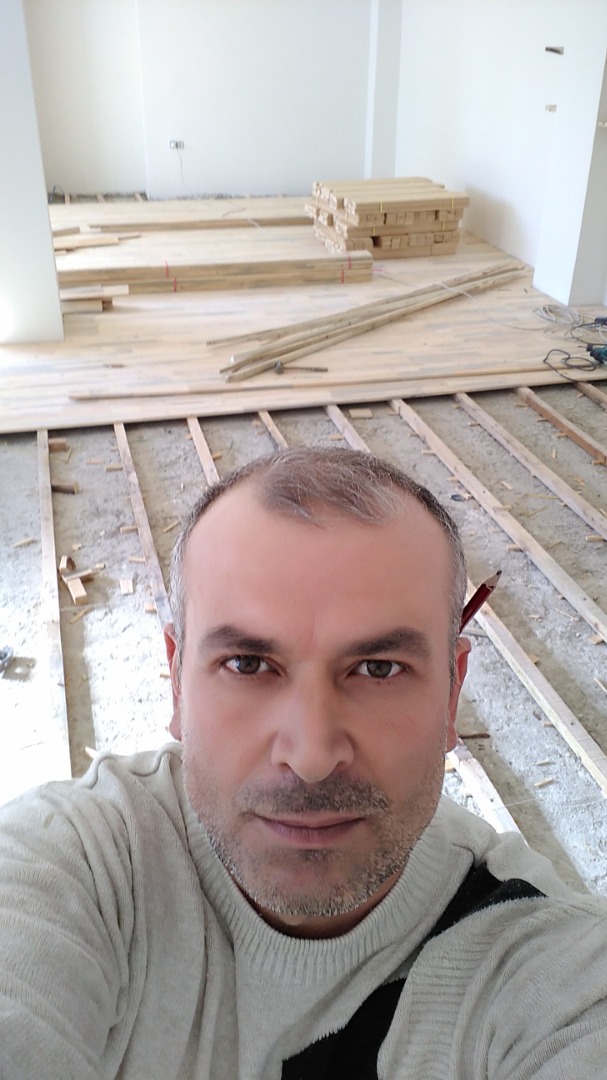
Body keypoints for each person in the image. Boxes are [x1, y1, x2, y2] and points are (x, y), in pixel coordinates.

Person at [0, 447, 605, 1080]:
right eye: (248, 665)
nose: (312, 757)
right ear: (176, 683)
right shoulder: (74, 869)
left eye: (378, 669)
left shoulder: (552, 973)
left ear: (452, 694)